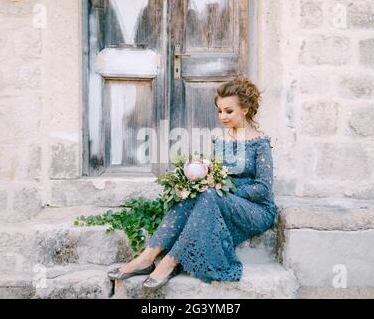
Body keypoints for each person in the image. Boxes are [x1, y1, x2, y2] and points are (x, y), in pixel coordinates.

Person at [107, 78, 279, 289]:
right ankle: (147, 256)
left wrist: (225, 191)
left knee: (208, 194)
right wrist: (202, 177)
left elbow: (263, 189)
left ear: (245, 109)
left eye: (228, 111)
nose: (222, 117)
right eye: (219, 111)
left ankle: (171, 261)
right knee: (191, 193)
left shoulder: (260, 144)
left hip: (255, 210)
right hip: (222, 201)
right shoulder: (221, 140)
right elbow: (217, 175)